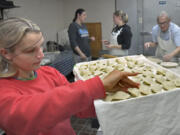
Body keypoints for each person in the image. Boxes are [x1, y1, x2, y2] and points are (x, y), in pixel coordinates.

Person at [0, 17, 139, 135]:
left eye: (41, 46)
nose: (41, 55)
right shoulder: (4, 91)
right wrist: (97, 85)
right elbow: (34, 112)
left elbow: (76, 104)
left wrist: (114, 102)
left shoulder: (50, 73)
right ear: (6, 53)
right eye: (30, 51)